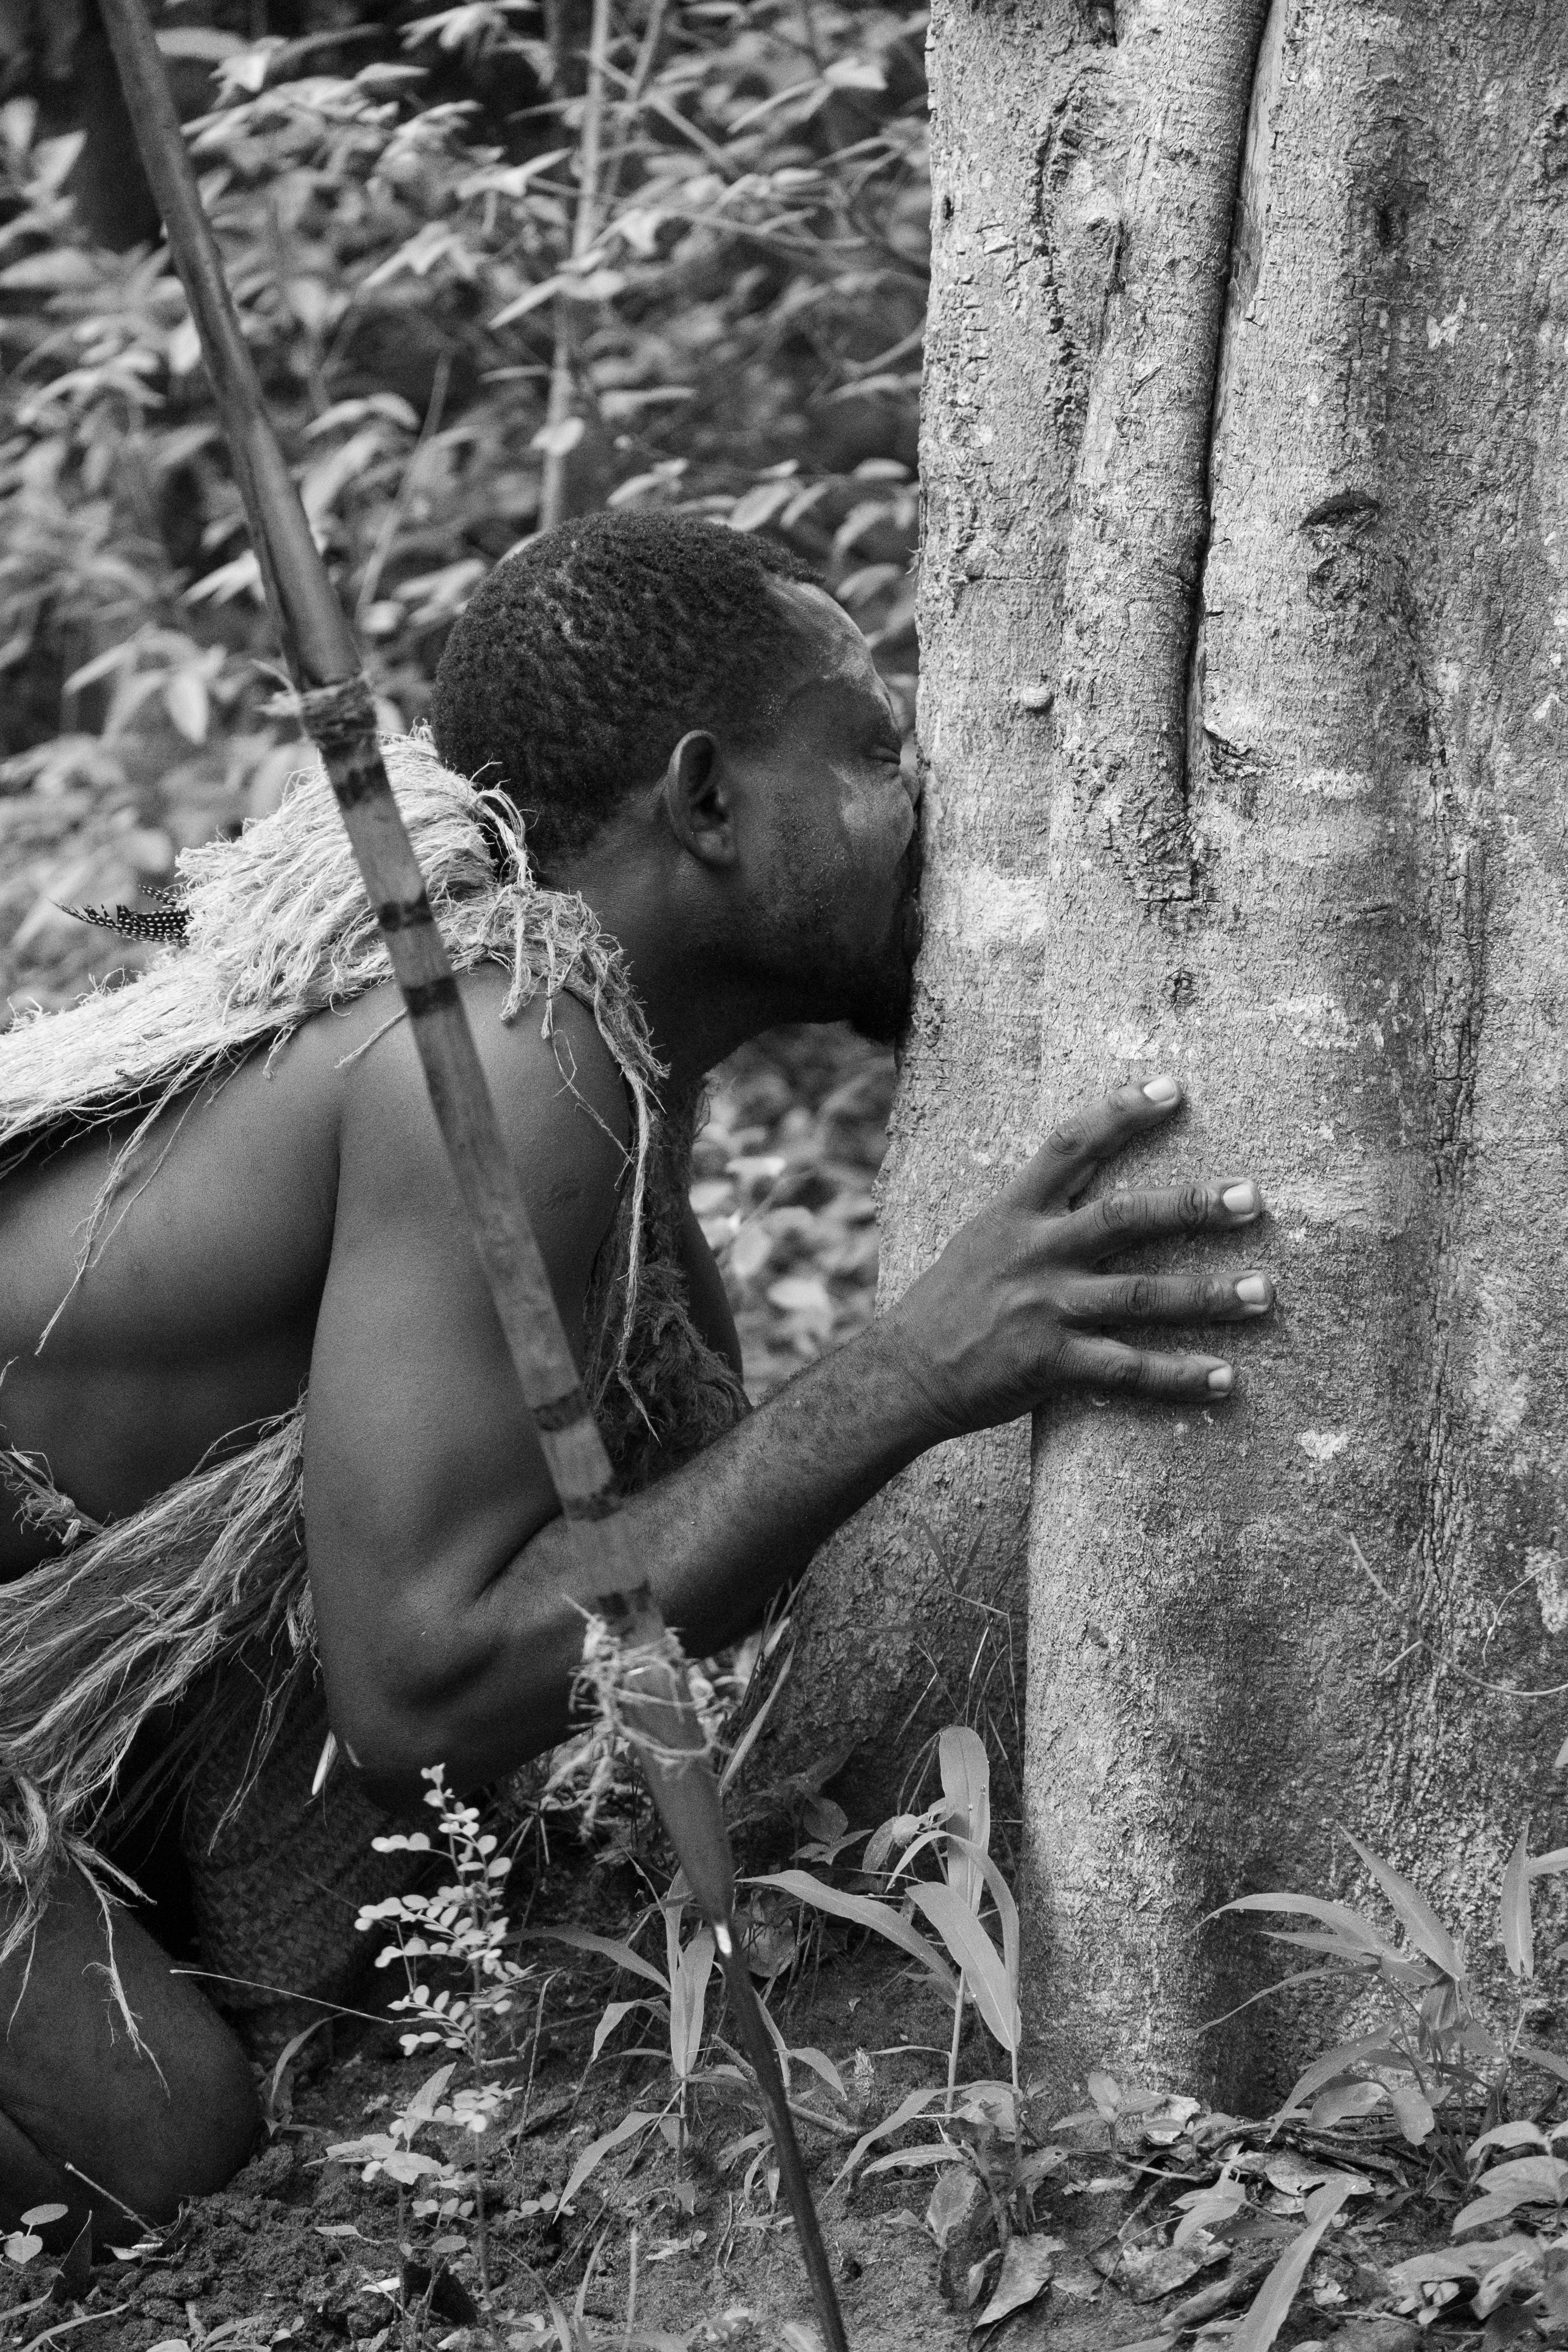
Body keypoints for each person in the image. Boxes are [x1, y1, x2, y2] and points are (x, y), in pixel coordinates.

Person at [0, 511, 1272, 2231]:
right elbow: (417, 1685)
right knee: (162, 2148)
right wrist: (906, 1373)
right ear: (704, 800)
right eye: (874, 745)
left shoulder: (602, 1111)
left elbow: (604, 1587)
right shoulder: (517, 1039)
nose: (930, 798)